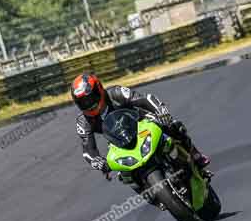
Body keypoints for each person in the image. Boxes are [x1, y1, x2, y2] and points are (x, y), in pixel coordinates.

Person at [71, 73, 210, 189]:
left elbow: (144, 99)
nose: (89, 104)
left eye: (90, 98)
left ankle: (195, 155)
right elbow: (88, 149)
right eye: (83, 102)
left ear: (99, 89)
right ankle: (151, 195)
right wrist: (97, 161)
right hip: (118, 140)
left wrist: (160, 110)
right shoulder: (83, 121)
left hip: (140, 121)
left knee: (173, 126)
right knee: (122, 174)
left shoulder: (116, 93)